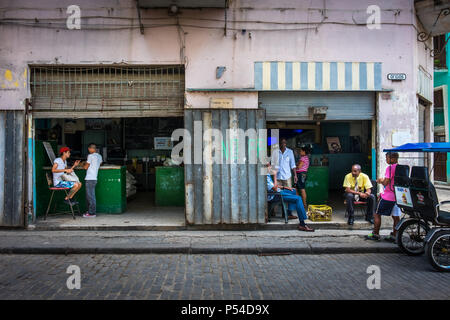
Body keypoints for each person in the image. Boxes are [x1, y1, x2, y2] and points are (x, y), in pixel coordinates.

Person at [267, 163, 314, 232]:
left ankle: (289, 213)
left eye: (270, 165)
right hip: (275, 195)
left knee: (293, 190)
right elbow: (274, 188)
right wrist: (275, 175)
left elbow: (274, 186)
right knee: (298, 199)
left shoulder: (267, 174)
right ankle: (302, 224)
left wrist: (285, 187)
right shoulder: (265, 177)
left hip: (277, 192)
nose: (270, 167)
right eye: (268, 166)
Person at [366, 152, 400, 242]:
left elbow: (386, 182)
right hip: (398, 196)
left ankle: (375, 234)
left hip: (388, 196)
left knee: (377, 214)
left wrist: (380, 180)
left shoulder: (390, 168)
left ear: (392, 158)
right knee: (396, 217)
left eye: (387, 158)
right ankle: (395, 235)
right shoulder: (400, 168)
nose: (386, 160)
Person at [271, 138, 298, 219]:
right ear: (279, 144)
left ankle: (289, 213)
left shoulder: (290, 152)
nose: (283, 144)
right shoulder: (275, 152)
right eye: (282, 143)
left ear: (286, 143)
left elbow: (293, 164)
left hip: (287, 177)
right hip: (278, 177)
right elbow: (273, 164)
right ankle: (273, 212)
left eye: (285, 143)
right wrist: (274, 175)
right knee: (276, 195)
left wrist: (295, 175)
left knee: (289, 194)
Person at [82, 143, 103, 218]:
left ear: (91, 149)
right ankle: (90, 211)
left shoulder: (90, 156)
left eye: (89, 149)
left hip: (90, 178)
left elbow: (85, 167)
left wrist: (83, 164)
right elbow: (100, 163)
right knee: (90, 196)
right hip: (94, 178)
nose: (88, 150)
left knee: (90, 196)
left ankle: (91, 213)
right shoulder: (99, 156)